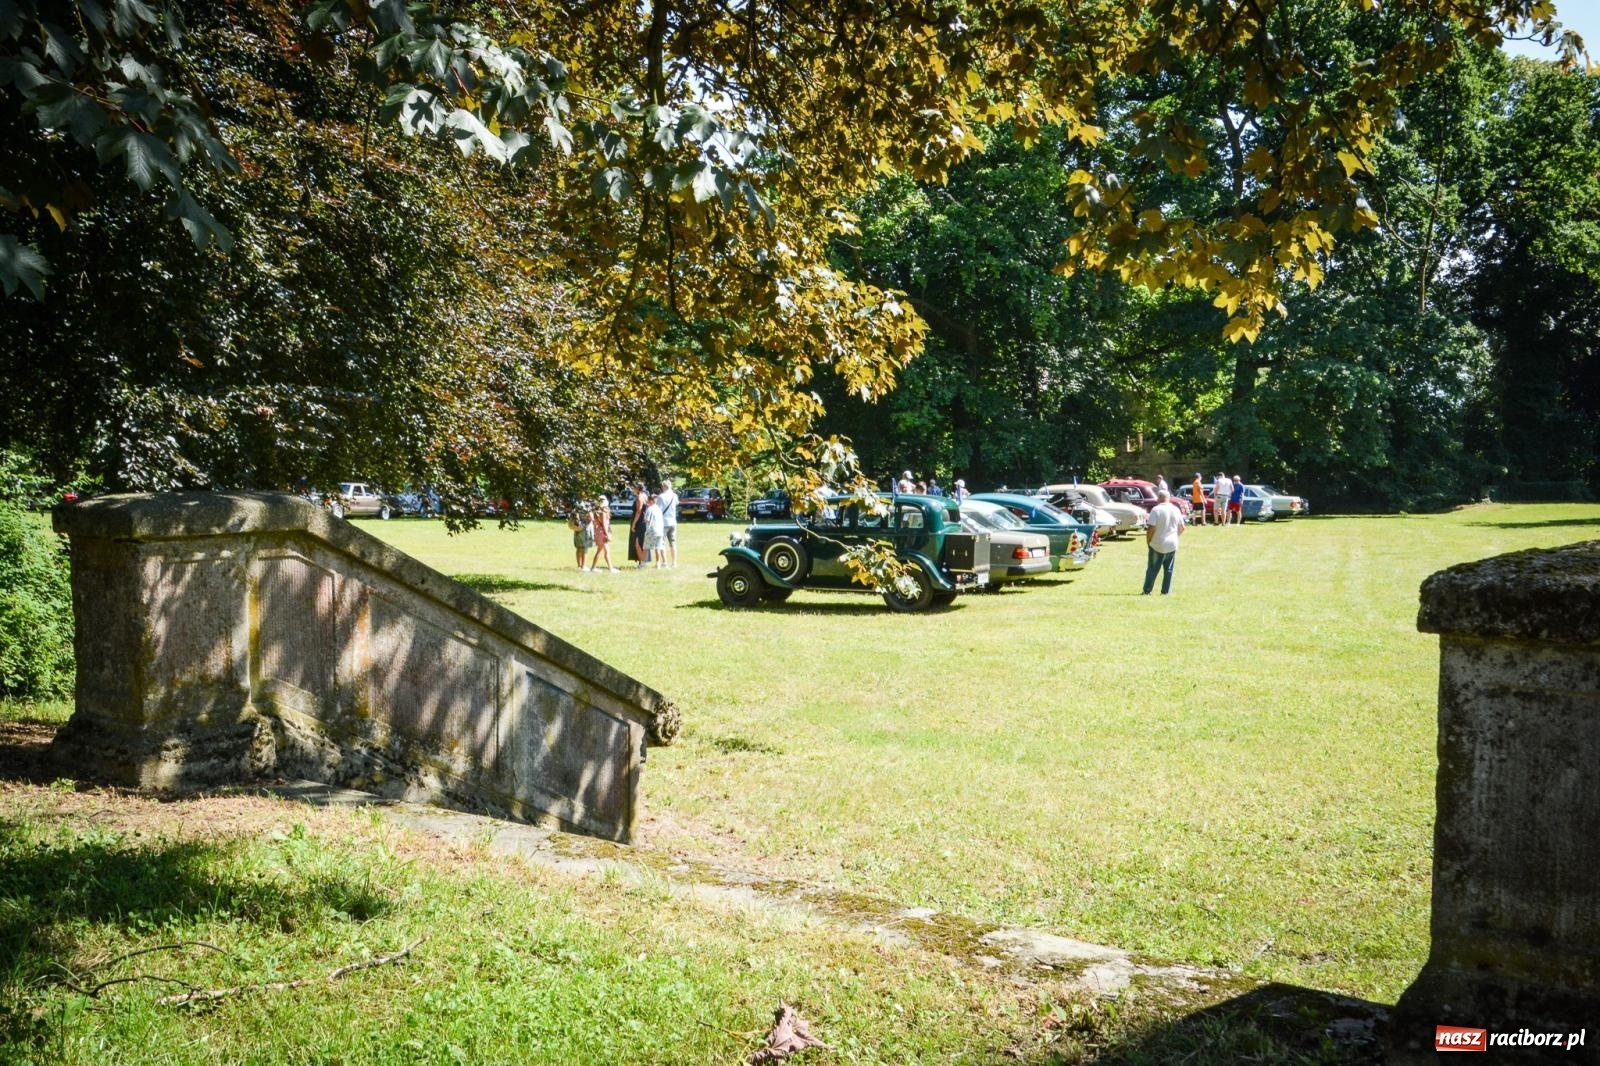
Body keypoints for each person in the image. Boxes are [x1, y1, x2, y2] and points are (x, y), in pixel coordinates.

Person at [1142, 488, 1185, 595]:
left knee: (1152, 568)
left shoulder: (1156, 510)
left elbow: (1151, 528)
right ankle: (1166, 591)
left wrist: (1148, 540)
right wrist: (1175, 536)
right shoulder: (1176, 509)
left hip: (1158, 542)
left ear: (1159, 498)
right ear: (1169, 498)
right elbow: (1182, 527)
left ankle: (1147, 590)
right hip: (1172, 542)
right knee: (1169, 569)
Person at [588, 495, 617, 572]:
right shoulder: (603, 512)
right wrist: (607, 535)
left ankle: (593, 567)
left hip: (600, 531)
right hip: (602, 532)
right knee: (605, 551)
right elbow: (604, 524)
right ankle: (610, 568)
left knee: (601, 550)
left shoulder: (599, 511)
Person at [657, 478, 680, 568]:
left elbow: (659, 510)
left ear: (663, 487)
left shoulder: (661, 496)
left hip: (663, 522)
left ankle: (665, 562)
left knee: (662, 542)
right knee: (673, 543)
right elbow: (677, 504)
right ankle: (674, 562)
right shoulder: (675, 496)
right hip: (673, 521)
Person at [566, 502, 594, 570]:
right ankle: (583, 566)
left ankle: (579, 566)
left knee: (579, 548)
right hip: (585, 529)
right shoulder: (587, 505)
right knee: (584, 548)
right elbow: (591, 517)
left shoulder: (576, 504)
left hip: (577, 528)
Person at [643, 492, 666, 568]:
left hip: (651, 530)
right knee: (658, 547)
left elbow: (647, 520)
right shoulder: (659, 509)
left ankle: (642, 563)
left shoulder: (649, 509)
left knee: (646, 547)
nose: (647, 502)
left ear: (651, 501)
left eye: (648, 501)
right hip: (659, 530)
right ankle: (658, 564)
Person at [629, 481, 648, 566]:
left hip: (639, 522)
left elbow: (638, 512)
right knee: (642, 541)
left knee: (637, 542)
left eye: (634, 488)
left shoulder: (640, 497)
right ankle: (642, 561)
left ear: (638, 489)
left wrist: (633, 524)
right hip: (644, 521)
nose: (633, 489)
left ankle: (641, 562)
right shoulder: (645, 496)